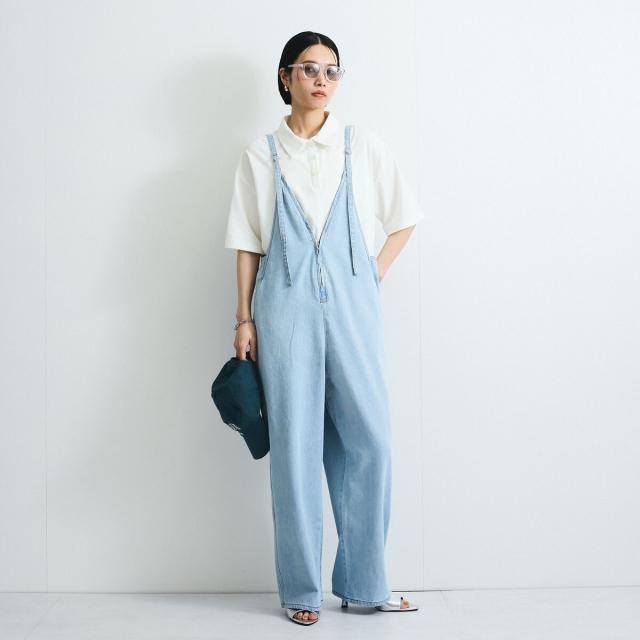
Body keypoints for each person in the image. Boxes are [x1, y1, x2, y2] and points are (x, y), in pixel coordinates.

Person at [224, 31, 423, 626]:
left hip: (354, 308)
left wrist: (370, 275)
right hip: (283, 308)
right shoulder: (262, 155)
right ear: (285, 77)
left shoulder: (362, 146)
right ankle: (301, 592)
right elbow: (247, 242)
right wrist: (243, 318)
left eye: (332, 70)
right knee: (295, 448)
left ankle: (365, 584)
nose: (321, 80)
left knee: (370, 441)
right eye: (309, 69)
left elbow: (404, 219)